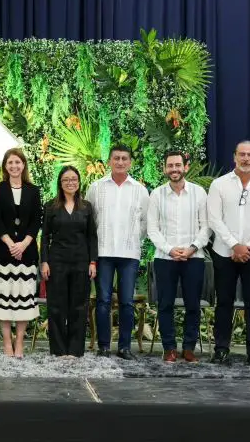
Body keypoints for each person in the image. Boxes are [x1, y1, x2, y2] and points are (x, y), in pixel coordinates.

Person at [207, 140, 250, 366]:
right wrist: (234, 244)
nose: (246, 159)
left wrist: (248, 247)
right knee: (224, 302)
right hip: (224, 253)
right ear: (234, 156)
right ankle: (221, 349)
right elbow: (214, 219)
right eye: (242, 154)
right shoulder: (219, 185)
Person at [86, 144, 149, 360]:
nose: (120, 162)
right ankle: (104, 346)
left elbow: (144, 223)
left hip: (129, 254)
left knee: (126, 302)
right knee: (103, 300)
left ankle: (124, 347)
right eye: (116, 158)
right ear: (109, 161)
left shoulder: (140, 190)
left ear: (130, 162)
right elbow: (90, 220)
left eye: (124, 158)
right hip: (103, 252)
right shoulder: (96, 187)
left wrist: (131, 238)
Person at [146, 151, 211, 363]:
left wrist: (192, 248)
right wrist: (170, 249)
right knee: (165, 304)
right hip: (165, 258)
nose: (174, 169)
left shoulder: (199, 193)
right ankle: (169, 348)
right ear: (164, 168)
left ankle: (189, 348)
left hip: (194, 257)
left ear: (185, 166)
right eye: (170, 166)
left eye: (178, 165)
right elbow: (152, 229)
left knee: (193, 304)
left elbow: (206, 226)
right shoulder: (156, 194)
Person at [0, 148, 42, 358]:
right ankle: (6, 342)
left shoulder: (33, 190)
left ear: (23, 165)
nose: (14, 166)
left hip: (26, 255)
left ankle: (19, 342)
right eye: (10, 162)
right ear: (5, 166)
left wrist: (24, 244)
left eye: (17, 162)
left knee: (23, 299)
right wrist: (11, 244)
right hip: (3, 252)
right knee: (3, 299)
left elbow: (36, 220)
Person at [40, 166, 97, 358]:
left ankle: (74, 350)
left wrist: (92, 262)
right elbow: (45, 236)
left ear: (79, 182)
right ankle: (59, 350)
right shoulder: (51, 206)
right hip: (56, 263)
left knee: (78, 307)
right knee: (56, 307)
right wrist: (44, 262)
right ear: (60, 183)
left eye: (74, 179)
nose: (70, 182)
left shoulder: (86, 207)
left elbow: (92, 237)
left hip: (81, 262)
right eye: (66, 179)